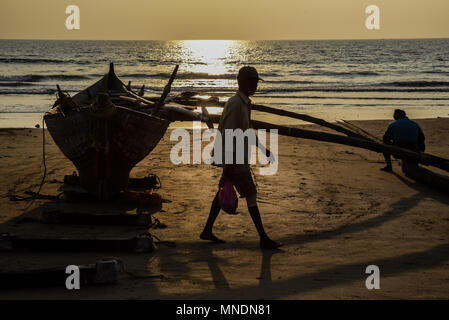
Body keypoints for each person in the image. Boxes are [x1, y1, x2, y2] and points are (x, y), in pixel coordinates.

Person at [200, 66, 282, 250]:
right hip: (234, 158)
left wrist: (263, 149)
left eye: (256, 82)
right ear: (242, 82)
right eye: (252, 82)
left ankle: (207, 230)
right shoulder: (236, 104)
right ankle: (263, 238)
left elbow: (246, 131)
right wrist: (228, 163)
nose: (255, 85)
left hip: (237, 157)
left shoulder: (244, 103)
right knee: (251, 194)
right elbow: (228, 133)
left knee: (222, 191)